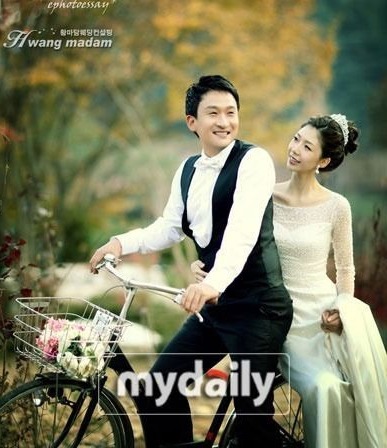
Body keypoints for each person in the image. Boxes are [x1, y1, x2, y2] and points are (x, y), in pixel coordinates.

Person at [90, 75, 293, 448]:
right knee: (157, 388)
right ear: (192, 122)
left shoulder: (254, 161)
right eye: (213, 113)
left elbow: (242, 233)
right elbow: (168, 227)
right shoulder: (187, 169)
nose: (224, 121)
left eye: (231, 112)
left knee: (252, 420)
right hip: (216, 308)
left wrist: (211, 283)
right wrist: (120, 242)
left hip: (258, 308)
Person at [192, 114, 387, 448]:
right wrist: (205, 267)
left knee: (337, 389)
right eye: (296, 139)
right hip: (273, 310)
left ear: (323, 161)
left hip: (321, 318)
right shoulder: (264, 196)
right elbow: (235, 244)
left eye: (307, 147)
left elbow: (345, 269)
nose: (295, 149)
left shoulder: (337, 207)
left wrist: (342, 308)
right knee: (312, 388)